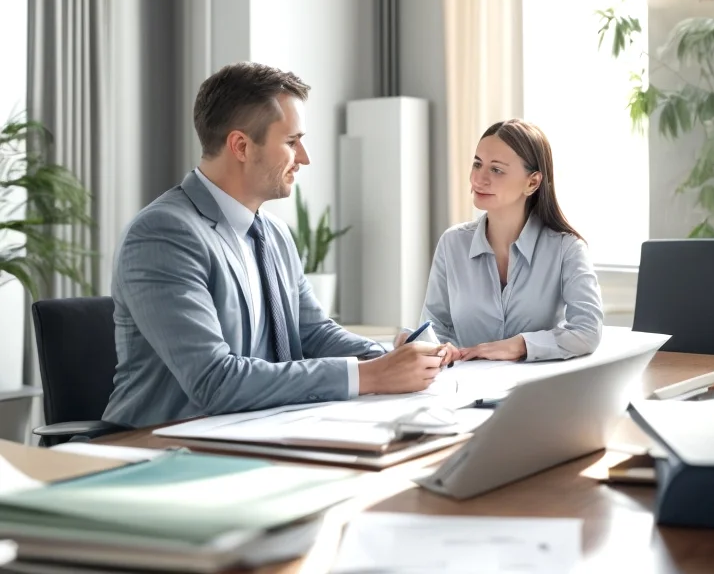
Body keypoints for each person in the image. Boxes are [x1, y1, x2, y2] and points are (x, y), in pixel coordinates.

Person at [103, 62, 445, 428]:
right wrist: (372, 376)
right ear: (241, 146)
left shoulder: (274, 233)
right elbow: (214, 382)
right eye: (292, 141)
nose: (305, 157)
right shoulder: (164, 234)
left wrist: (395, 357)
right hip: (163, 447)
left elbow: (312, 332)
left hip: (262, 432)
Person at [406, 119, 602, 364]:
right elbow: (434, 325)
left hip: (536, 391)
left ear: (532, 182)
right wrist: (442, 350)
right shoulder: (452, 243)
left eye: (496, 169)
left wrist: (521, 346)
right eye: (477, 164)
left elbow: (587, 330)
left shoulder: (567, 248)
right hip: (462, 387)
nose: (479, 178)